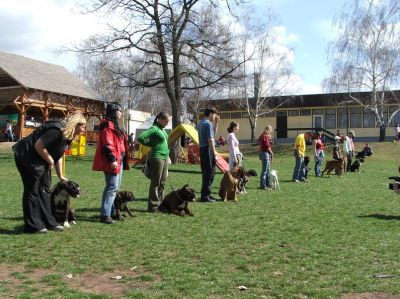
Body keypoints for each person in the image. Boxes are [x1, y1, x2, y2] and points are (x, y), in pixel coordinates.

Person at [12, 113, 86, 233]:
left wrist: (60, 175)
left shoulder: (68, 136)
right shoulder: (56, 131)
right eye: (82, 126)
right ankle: (33, 225)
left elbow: (59, 155)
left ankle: (49, 222)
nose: (84, 129)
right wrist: (50, 160)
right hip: (26, 156)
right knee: (32, 190)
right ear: (75, 124)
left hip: (41, 159)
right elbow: (39, 145)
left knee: (45, 189)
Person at [92, 102, 129, 224]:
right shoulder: (107, 125)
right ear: (114, 111)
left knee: (115, 187)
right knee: (111, 187)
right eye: (119, 110)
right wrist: (113, 159)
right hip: (112, 160)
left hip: (119, 158)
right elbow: (107, 144)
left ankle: (113, 212)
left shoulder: (115, 125)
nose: (121, 113)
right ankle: (105, 214)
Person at [137, 111, 170, 212]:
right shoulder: (154, 128)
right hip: (157, 157)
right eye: (166, 120)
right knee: (156, 182)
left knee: (163, 182)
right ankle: (153, 206)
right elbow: (140, 137)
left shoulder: (162, 130)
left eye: (168, 120)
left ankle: (161, 204)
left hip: (165, 157)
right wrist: (150, 144)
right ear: (160, 119)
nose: (167, 122)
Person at [198, 107, 219, 202]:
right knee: (210, 172)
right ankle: (205, 196)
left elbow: (213, 134)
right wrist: (214, 153)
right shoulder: (208, 124)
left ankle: (206, 194)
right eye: (214, 114)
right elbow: (211, 139)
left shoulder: (201, 123)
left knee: (206, 173)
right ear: (210, 114)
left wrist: (216, 123)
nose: (215, 116)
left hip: (202, 149)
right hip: (207, 150)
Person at [258, 125, 274, 189]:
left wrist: (269, 138)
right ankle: (263, 185)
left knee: (267, 170)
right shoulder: (265, 136)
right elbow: (267, 146)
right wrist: (271, 153)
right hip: (265, 153)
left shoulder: (263, 135)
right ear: (268, 130)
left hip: (263, 153)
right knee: (265, 170)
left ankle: (267, 184)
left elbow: (259, 140)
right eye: (271, 130)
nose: (271, 131)